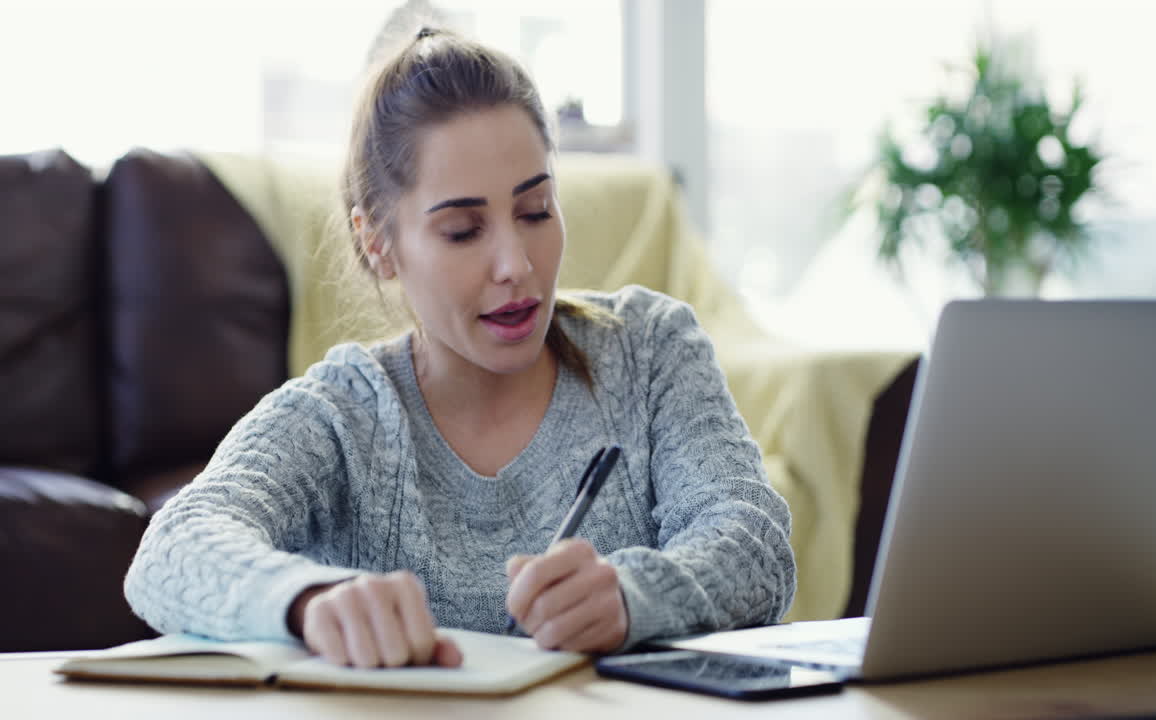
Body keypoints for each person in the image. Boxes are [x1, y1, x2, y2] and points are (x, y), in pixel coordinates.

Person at [124, 26, 795, 669]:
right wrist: (306, 601)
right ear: (376, 243)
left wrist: (634, 596)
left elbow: (756, 545)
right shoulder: (341, 413)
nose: (516, 265)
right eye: (463, 230)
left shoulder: (649, 351)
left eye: (535, 212)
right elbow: (173, 550)